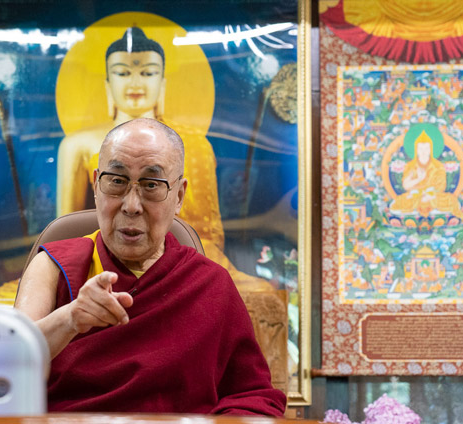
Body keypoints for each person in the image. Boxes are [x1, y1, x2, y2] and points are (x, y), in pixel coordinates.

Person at [16, 118, 286, 416]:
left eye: (151, 185)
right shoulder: (54, 266)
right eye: (116, 181)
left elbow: (252, 396)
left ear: (179, 196)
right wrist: (70, 319)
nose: (131, 205)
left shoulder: (210, 284)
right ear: (96, 186)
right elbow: (6, 373)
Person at [56, 26, 271, 291]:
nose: (135, 83)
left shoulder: (195, 144)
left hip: (177, 269)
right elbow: (66, 233)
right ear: (108, 84)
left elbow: (209, 235)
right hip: (96, 268)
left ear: (162, 83)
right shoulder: (77, 144)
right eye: (123, 72)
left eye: (147, 72)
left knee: (261, 295)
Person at [390, 128, 463, 220]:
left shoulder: (438, 166)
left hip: (433, 196)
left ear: (431, 149)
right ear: (416, 150)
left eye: (426, 148)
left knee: (451, 200)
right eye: (420, 148)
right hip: (415, 196)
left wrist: (428, 193)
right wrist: (419, 179)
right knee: (400, 201)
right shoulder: (411, 166)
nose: (423, 151)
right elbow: (406, 185)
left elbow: (441, 187)